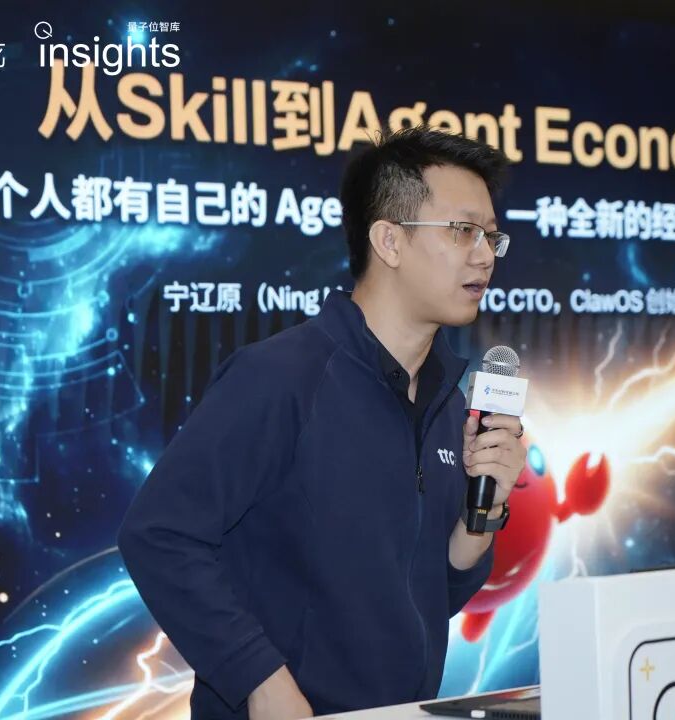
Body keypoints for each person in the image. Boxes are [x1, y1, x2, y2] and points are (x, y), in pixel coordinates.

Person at [117, 125, 526, 719]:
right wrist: (260, 679)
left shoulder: (446, 402)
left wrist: (481, 515)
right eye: (463, 231)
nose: (485, 255)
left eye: (491, 236)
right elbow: (158, 534)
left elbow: (430, 597)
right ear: (389, 240)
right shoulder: (281, 378)